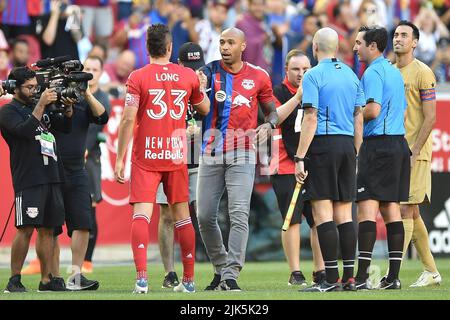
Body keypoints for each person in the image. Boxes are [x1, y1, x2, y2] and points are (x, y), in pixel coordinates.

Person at [114, 23, 210, 294]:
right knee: (182, 216)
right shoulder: (187, 76)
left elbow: (128, 118)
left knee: (142, 215)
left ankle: (142, 279)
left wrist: (120, 158)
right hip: (176, 154)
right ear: (169, 48)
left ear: (147, 48)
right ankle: (189, 281)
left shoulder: (137, 77)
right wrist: (196, 90)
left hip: (146, 155)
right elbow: (203, 106)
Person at [198, 27, 287, 291]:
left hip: (243, 152)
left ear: (243, 46)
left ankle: (231, 274)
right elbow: (195, 107)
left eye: (230, 42)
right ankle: (221, 265)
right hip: (210, 151)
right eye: (222, 42)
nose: (224, 47)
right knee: (204, 215)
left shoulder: (259, 76)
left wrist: (269, 125)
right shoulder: (207, 72)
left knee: (239, 213)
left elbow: (272, 111)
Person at [20, 56, 108, 290]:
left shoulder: (82, 99)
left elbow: (103, 117)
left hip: (77, 168)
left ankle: (76, 275)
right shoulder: (45, 97)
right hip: (50, 169)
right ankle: (53, 277)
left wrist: (86, 93)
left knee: (82, 223)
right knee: (50, 227)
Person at [295, 27, 364, 293]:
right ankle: (349, 278)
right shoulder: (351, 74)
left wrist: (300, 156)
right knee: (345, 215)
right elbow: (358, 116)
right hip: (347, 145)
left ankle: (329, 280)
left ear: (315, 47)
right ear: (337, 47)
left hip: (323, 145)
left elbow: (310, 117)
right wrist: (356, 151)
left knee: (323, 213)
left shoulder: (313, 75)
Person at [0, 67, 70, 292]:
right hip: (29, 176)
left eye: (35, 87)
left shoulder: (39, 107)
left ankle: (47, 279)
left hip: (51, 174)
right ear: (14, 88)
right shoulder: (8, 111)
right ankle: (14, 279)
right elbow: (25, 131)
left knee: (49, 229)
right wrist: (40, 103)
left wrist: (67, 109)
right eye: (29, 87)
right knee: (26, 228)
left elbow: (65, 128)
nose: (33, 91)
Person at [353, 26, 409, 290]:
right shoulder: (394, 72)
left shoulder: (373, 71)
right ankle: (393, 277)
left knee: (366, 208)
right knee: (391, 209)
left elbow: (373, 110)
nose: (355, 48)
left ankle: (362, 278)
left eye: (358, 43)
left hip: (378, 145)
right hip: (398, 144)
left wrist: (349, 113)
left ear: (372, 46)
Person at [270, 49, 325, 286]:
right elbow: (274, 118)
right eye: (296, 69)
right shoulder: (277, 92)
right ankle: (295, 272)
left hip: (314, 163)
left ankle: (320, 270)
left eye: (306, 69)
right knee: (291, 219)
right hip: (284, 164)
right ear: (286, 70)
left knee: (318, 218)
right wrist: (298, 97)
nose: (302, 73)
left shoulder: (319, 89)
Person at [393, 20, 441, 287]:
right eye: (396, 34)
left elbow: (431, 117)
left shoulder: (423, 72)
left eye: (404, 35)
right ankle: (432, 271)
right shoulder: (388, 71)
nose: (398, 38)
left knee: (405, 208)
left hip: (415, 151)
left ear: (415, 42)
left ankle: (392, 274)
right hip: (392, 151)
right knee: (411, 212)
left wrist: (414, 151)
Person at [156, 41, 207, 289]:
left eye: (199, 66)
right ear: (178, 65)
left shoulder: (205, 83)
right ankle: (169, 272)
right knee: (166, 213)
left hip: (198, 156)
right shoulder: (166, 81)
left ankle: (206, 267)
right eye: (190, 66)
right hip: (168, 155)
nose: (195, 71)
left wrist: (204, 92)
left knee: (202, 212)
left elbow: (213, 114)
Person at [82, 55, 111, 274]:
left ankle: (88, 259)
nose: (91, 72)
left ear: (101, 72)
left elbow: (98, 128)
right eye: (88, 68)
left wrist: (84, 148)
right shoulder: (75, 94)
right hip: (72, 157)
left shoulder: (102, 97)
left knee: (90, 209)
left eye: (95, 68)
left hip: (90, 158)